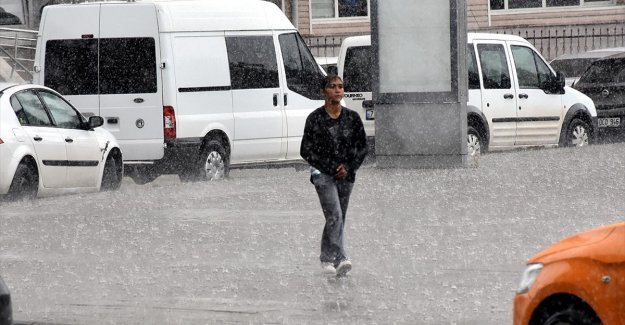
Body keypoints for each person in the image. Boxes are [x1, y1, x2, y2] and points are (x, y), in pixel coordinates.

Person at [300, 75, 368, 276]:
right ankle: (340, 257)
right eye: (332, 87)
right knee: (335, 215)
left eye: (340, 87)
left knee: (337, 218)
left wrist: (348, 166)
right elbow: (306, 150)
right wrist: (329, 166)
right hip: (322, 174)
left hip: (347, 175)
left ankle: (326, 258)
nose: (338, 90)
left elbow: (362, 147)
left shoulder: (352, 118)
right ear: (324, 91)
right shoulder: (315, 119)